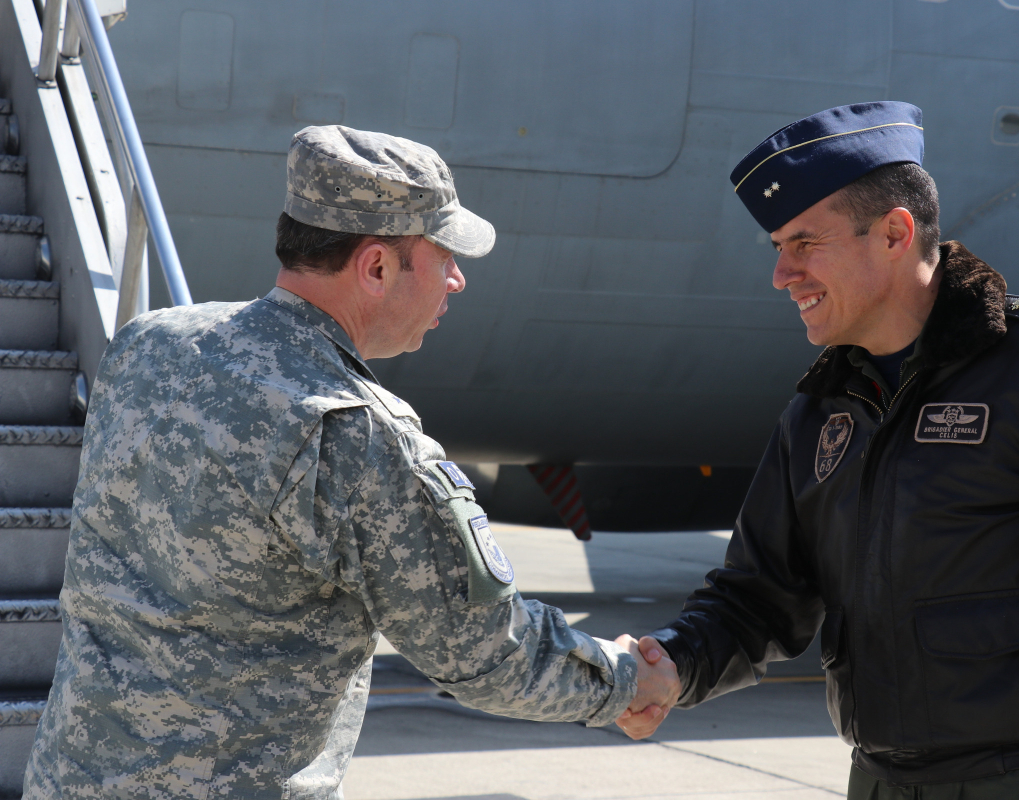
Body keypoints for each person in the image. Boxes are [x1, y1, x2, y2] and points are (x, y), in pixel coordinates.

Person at [24, 125, 677, 799]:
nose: (457, 277)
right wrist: (626, 678)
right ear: (376, 268)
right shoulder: (351, 432)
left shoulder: (148, 344)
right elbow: (483, 654)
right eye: (443, 254)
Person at [614, 103, 1019, 800]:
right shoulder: (820, 410)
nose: (783, 274)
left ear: (895, 234)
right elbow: (760, 598)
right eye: (778, 248)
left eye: (805, 244)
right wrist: (676, 665)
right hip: (878, 783)